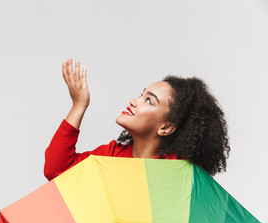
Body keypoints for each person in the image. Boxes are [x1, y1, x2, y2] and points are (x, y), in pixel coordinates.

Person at [44, 58, 230, 181]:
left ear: (166, 127)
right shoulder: (111, 156)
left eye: (149, 101)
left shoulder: (184, 172)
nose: (134, 101)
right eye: (141, 95)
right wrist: (79, 105)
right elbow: (56, 170)